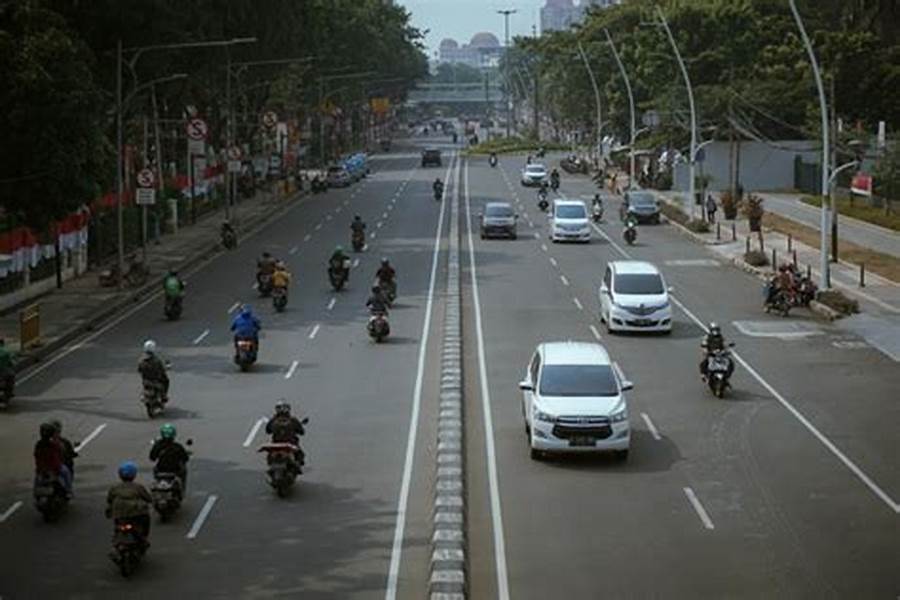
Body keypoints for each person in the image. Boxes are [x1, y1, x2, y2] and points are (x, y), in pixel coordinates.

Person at [105, 462, 152, 547]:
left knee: (117, 525)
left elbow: (109, 499)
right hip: (136, 514)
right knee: (145, 520)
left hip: (119, 514)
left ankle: (116, 538)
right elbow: (148, 498)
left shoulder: (115, 487)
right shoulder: (138, 487)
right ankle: (143, 538)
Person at [149, 424, 190, 493]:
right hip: (175, 470)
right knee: (184, 470)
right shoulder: (177, 447)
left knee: (154, 469)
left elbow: (152, 458)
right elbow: (185, 458)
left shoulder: (158, 446)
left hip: (160, 469)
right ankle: (182, 489)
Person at [34, 422, 72, 497]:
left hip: (41, 469)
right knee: (67, 472)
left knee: (37, 478)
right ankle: (68, 491)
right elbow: (61, 452)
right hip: (55, 468)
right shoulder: (54, 444)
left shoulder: (39, 444)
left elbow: (36, 455)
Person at [265, 401, 306, 468]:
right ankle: (297, 465)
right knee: (300, 454)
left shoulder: (273, 420)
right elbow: (301, 432)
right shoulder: (293, 420)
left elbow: (268, 431)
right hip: (290, 443)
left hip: (276, 444)